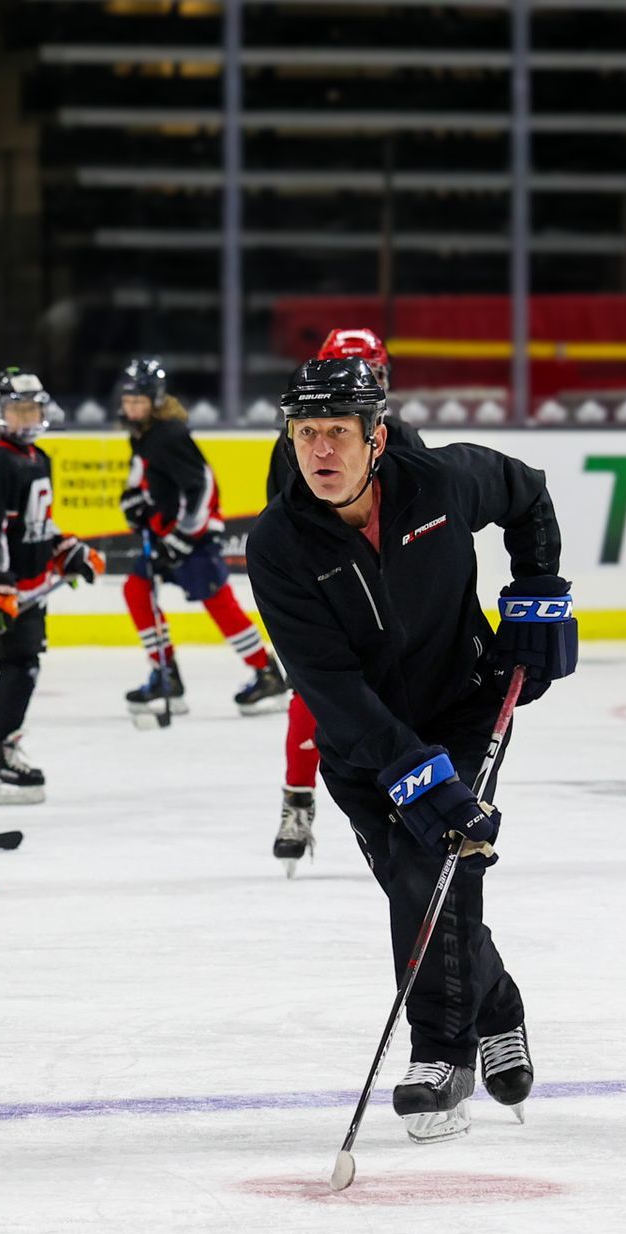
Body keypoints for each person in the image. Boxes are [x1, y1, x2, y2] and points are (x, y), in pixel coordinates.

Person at [247, 356, 576, 1142]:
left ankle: (441, 1054)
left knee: (432, 869)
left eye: (336, 433)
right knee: (413, 881)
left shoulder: (436, 483)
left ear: (376, 437)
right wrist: (418, 780)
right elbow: (330, 687)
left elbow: (526, 492)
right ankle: (499, 1007)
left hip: (462, 702)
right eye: (305, 433)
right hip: (364, 742)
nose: (320, 451)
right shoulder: (279, 544)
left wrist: (537, 590)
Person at [263, 329, 424, 873]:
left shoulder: (397, 435)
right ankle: (298, 800)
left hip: (393, 598)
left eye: (374, 374)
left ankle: (420, 793)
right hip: (329, 597)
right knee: (315, 696)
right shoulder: (297, 442)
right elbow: (281, 534)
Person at [116, 356, 288, 723]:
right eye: (128, 400)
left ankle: (267, 673)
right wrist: (133, 498)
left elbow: (202, 485)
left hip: (192, 538)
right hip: (166, 534)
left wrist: (181, 538)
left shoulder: (169, 435)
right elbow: (144, 475)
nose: (131, 407)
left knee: (218, 602)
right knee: (136, 589)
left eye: (138, 401)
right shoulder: (144, 433)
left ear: (155, 399)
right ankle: (166, 675)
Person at [0, 368, 104, 804]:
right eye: (16, 410)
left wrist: (67, 551)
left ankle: (2, 748)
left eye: (31, 409)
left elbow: (37, 524)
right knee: (19, 666)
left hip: (30, 586)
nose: (24, 418)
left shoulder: (37, 458)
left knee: (25, 665)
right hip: (7, 591)